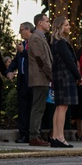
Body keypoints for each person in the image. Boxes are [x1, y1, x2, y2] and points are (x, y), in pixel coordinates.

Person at [50, 16, 82, 148]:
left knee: (59, 107)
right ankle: (60, 137)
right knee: (62, 107)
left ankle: (55, 136)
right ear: (60, 27)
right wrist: (78, 76)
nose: (69, 27)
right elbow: (69, 61)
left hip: (59, 77)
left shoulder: (55, 42)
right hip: (64, 77)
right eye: (66, 25)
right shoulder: (61, 43)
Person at [27, 14, 52, 146]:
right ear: (40, 23)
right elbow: (41, 59)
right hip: (40, 77)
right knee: (38, 108)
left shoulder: (41, 37)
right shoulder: (36, 38)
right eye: (47, 21)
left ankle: (36, 134)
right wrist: (51, 74)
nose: (49, 24)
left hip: (43, 77)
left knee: (40, 108)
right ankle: (34, 136)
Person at [9, 24, 32, 143]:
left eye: (21, 30)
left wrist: (24, 52)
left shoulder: (36, 43)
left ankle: (33, 134)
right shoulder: (21, 45)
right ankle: (23, 134)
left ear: (28, 30)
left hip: (33, 80)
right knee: (22, 109)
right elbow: (15, 61)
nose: (19, 32)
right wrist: (9, 71)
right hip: (22, 80)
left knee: (33, 108)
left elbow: (35, 58)